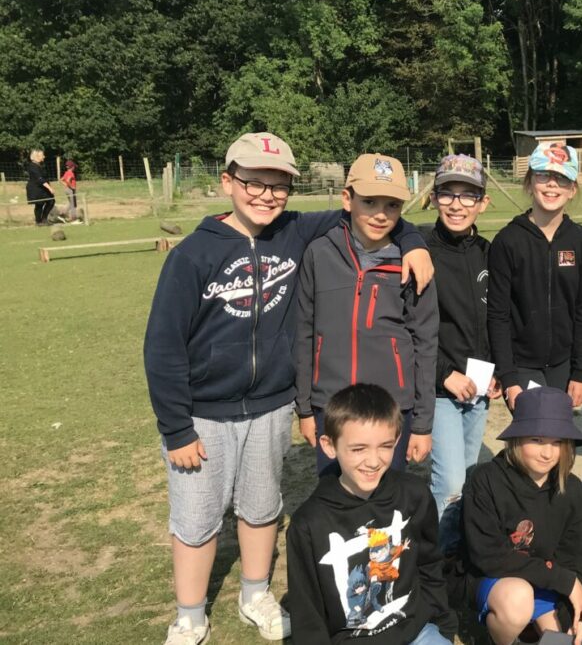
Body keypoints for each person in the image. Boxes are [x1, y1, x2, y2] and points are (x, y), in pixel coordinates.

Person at [144, 133, 433, 645]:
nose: (266, 195)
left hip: (271, 404)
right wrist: (175, 427)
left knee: (260, 507)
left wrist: (415, 242)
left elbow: (381, 212)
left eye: (278, 186)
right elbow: (163, 346)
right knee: (197, 514)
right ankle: (189, 613)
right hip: (205, 410)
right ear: (227, 181)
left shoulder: (295, 230)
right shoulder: (192, 256)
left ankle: (255, 592)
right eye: (253, 182)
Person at [295, 153, 438, 477]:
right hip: (330, 403)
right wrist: (305, 409)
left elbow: (426, 342)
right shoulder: (318, 253)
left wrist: (423, 424)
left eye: (392, 205)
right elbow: (303, 332)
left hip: (392, 407)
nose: (380, 214)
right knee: (335, 496)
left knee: (387, 499)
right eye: (369, 201)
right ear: (348, 198)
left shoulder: (414, 262)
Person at [286, 383, 456, 644]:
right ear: (329, 446)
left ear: (397, 440)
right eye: (358, 449)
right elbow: (307, 614)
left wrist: (443, 624)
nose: (374, 460)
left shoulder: (414, 495)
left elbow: (429, 564)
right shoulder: (308, 524)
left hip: (417, 632)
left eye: (385, 446)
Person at [457, 386, 582, 645]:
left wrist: (573, 610)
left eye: (557, 442)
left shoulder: (572, 489)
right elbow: (488, 556)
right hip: (496, 579)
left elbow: (577, 555)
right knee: (518, 600)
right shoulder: (486, 479)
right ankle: (495, 637)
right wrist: (564, 581)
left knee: (570, 637)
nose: (547, 453)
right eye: (537, 440)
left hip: (546, 579)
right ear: (517, 437)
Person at [423, 154, 500, 550]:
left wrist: (498, 371)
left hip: (480, 387)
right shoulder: (418, 249)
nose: (457, 204)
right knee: (450, 482)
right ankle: (438, 564)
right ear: (433, 198)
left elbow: (497, 319)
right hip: (440, 388)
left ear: (483, 203)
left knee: (468, 475)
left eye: (468, 196)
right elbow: (407, 329)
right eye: (448, 194)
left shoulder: (490, 253)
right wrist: (442, 374)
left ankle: (457, 558)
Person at [487, 143, 582, 410]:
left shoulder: (581, 240)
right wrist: (509, 376)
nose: (551, 185)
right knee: (534, 438)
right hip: (521, 364)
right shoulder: (507, 241)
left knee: (559, 442)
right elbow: (498, 314)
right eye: (543, 175)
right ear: (529, 182)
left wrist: (581, 372)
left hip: (564, 364)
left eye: (561, 178)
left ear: (572, 189)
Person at [26, 149, 56, 226]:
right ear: (37, 156)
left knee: (51, 201)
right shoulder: (32, 166)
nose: (44, 157)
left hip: (42, 188)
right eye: (43, 155)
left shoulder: (39, 165)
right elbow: (40, 179)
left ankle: (44, 219)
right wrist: (49, 188)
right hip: (35, 189)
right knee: (39, 204)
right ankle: (38, 222)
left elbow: (44, 178)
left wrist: (49, 186)